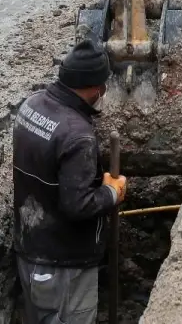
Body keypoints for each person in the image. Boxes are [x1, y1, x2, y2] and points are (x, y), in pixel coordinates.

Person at [13, 39, 126, 324]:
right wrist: (111, 193)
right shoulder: (77, 135)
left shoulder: (31, 105)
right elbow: (78, 205)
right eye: (104, 84)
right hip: (65, 266)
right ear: (95, 87)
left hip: (31, 250)